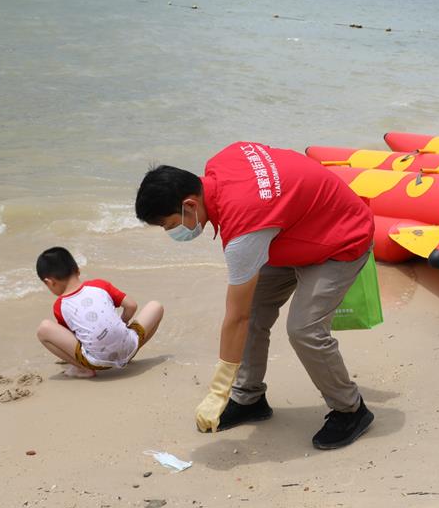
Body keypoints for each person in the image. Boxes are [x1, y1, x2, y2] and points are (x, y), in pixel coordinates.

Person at [134, 143, 377, 449]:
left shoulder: (244, 230)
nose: (171, 232)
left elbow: (237, 317)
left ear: (190, 205)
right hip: (289, 234)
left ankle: (351, 410)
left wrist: (218, 390)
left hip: (340, 238)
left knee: (304, 330)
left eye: (170, 225)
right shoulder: (223, 159)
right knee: (255, 310)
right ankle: (248, 398)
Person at [35, 247, 164, 378]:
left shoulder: (60, 305)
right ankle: (126, 355)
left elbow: (73, 337)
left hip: (97, 362)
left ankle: (82, 369)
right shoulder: (99, 285)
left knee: (43, 329)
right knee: (156, 306)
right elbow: (131, 306)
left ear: (49, 282)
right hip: (130, 347)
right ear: (78, 270)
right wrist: (122, 323)